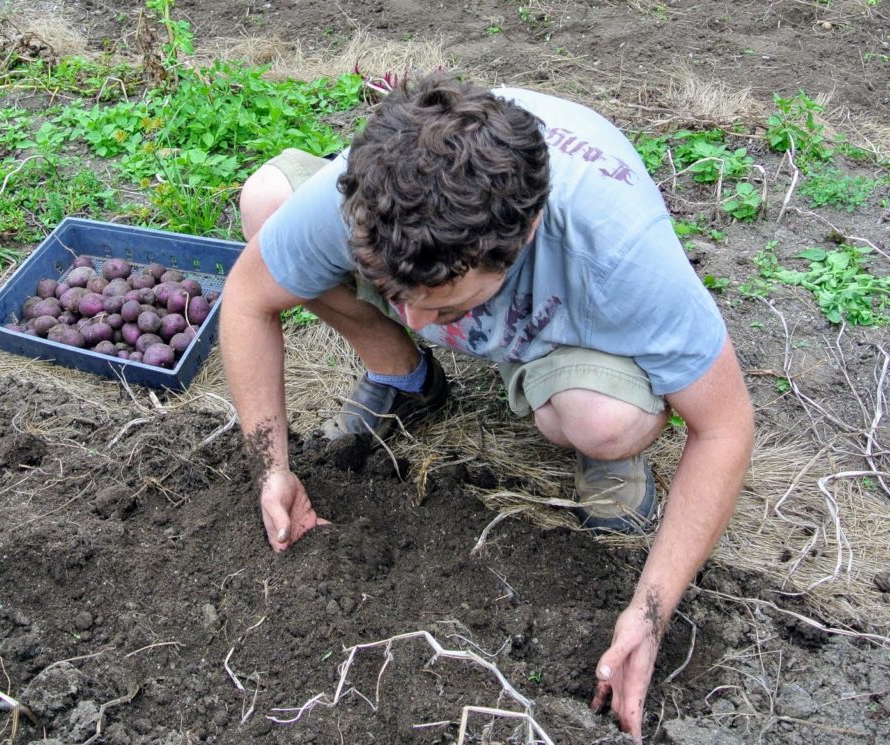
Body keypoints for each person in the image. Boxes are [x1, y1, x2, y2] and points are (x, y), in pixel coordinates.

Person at [219, 73, 754, 740]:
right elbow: (246, 298)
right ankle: (404, 375)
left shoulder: (615, 250)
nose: (412, 313)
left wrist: (648, 616)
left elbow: (725, 426)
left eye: (441, 301)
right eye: (395, 289)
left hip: (566, 325)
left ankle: (598, 445)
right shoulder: (370, 203)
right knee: (266, 205)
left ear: (524, 233)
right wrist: (270, 466)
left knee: (604, 420)